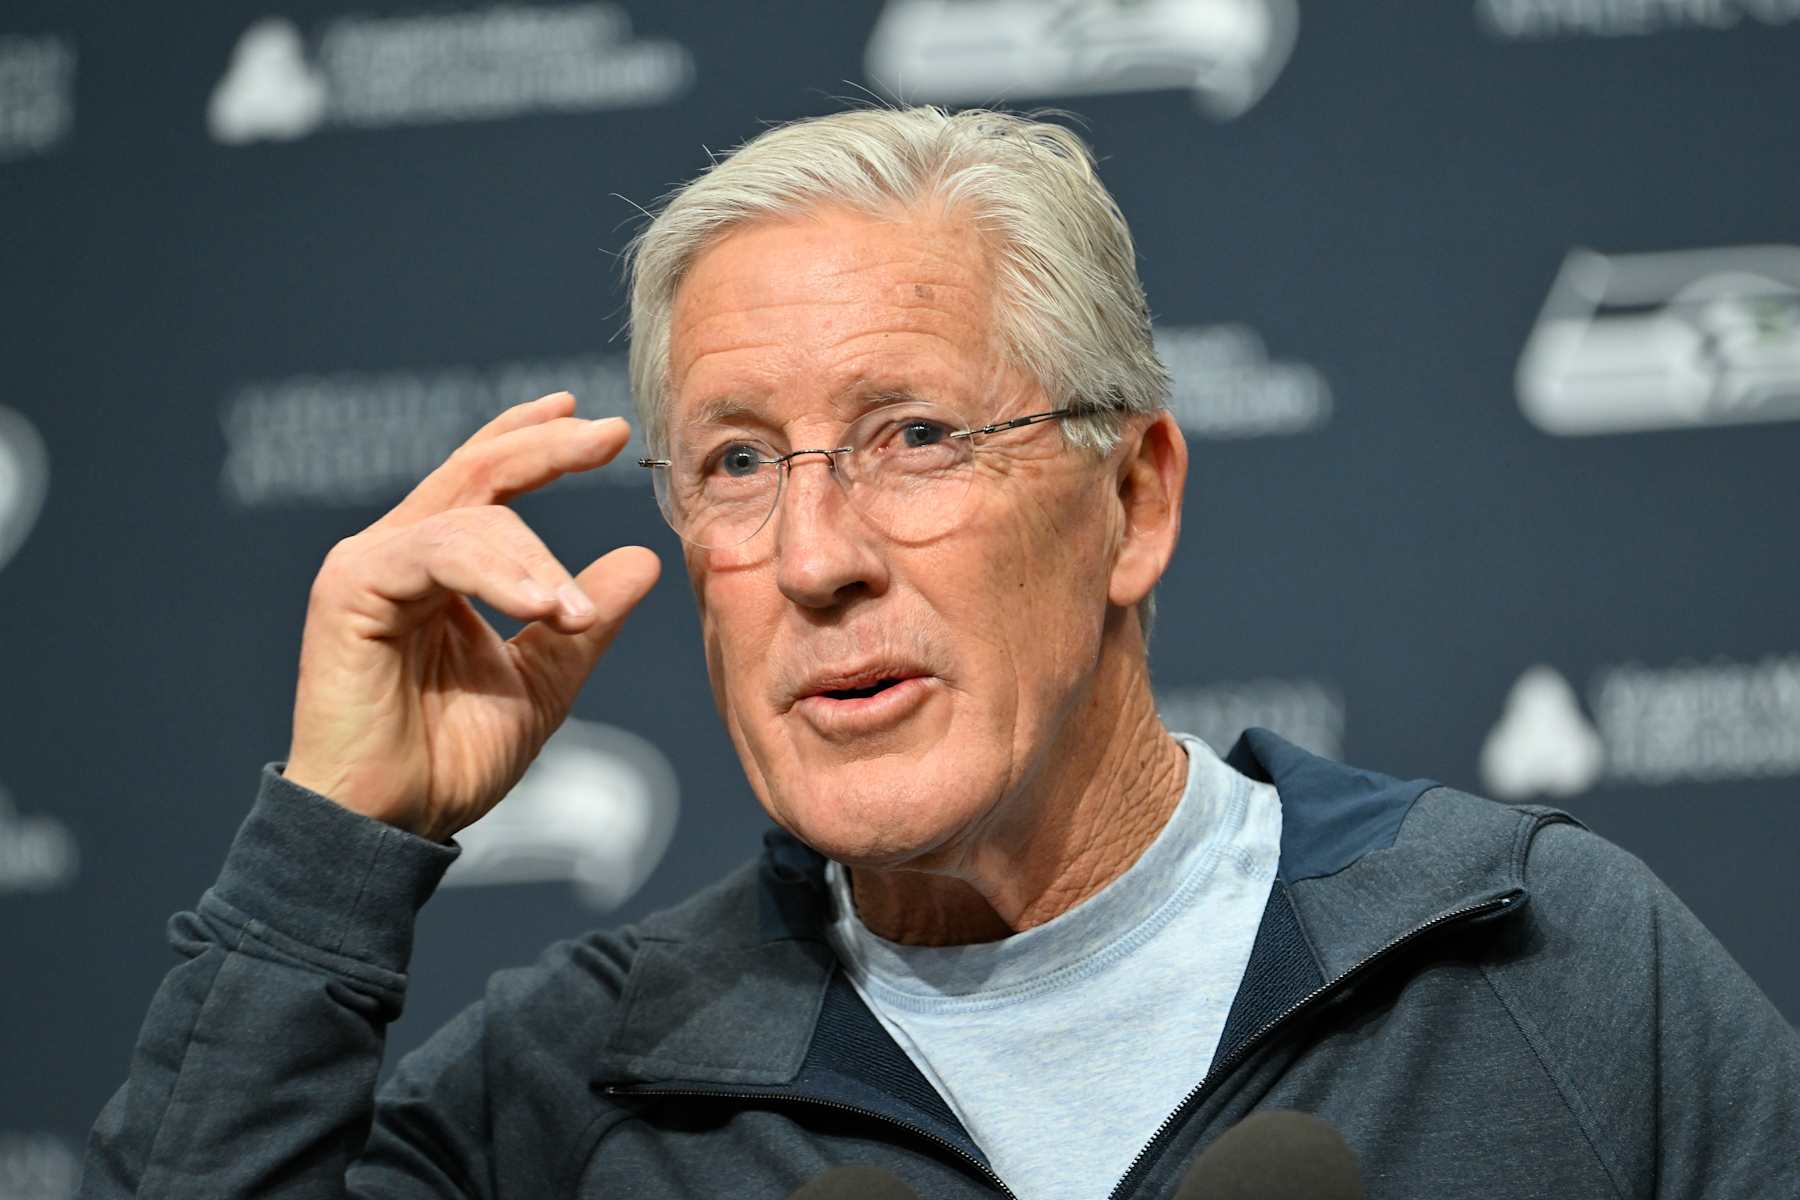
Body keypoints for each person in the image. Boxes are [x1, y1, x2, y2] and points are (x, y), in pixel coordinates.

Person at [81, 105, 1797, 1199]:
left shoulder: (1539, 970)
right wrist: (332, 847)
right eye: (739, 463)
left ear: (1131, 497)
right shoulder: (581, 1093)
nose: (815, 559)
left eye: (911, 435)